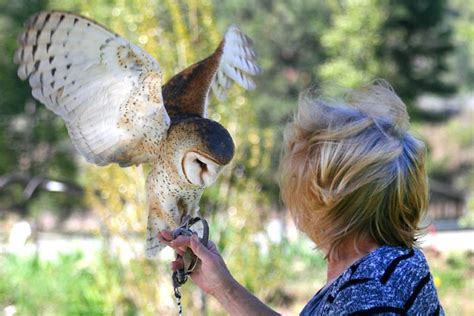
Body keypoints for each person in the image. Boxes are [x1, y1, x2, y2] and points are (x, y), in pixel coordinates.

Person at [158, 80, 444, 315]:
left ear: (325, 201)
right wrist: (223, 287)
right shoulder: (386, 267)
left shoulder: (369, 290)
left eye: (296, 184)